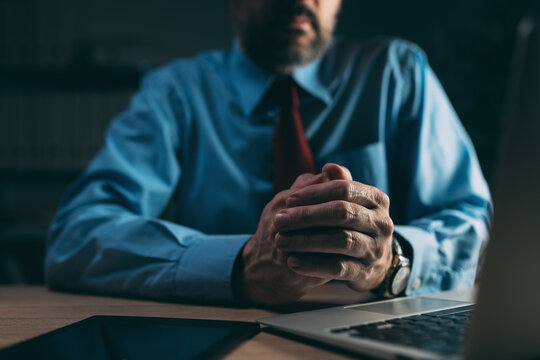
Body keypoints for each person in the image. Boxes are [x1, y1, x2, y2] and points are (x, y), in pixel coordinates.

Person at [45, 0, 492, 304]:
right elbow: (77, 235)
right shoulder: (176, 93)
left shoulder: (397, 75)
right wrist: (238, 266)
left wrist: (393, 262)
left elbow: (476, 225)